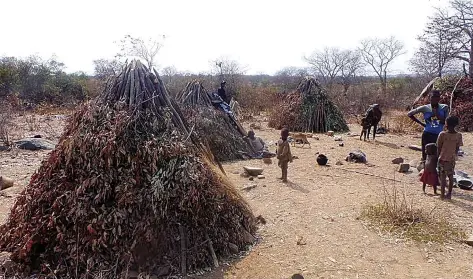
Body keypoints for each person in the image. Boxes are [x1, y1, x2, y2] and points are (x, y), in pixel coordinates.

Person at [408, 90, 449, 162]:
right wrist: (422, 123)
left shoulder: (444, 107)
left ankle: (436, 172)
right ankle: (426, 171)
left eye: (437, 97)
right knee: (426, 155)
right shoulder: (425, 108)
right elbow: (410, 114)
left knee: (438, 155)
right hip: (427, 134)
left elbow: (446, 122)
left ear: (439, 98)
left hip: (439, 135)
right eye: (433, 97)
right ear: (430, 97)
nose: (435, 99)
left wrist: (437, 114)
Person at [437, 115, 463, 200]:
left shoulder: (442, 134)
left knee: (443, 177)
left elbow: (438, 147)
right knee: (451, 177)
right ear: (456, 124)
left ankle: (442, 195)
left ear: (446, 124)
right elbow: (457, 148)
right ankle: (449, 194)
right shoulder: (459, 135)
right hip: (451, 160)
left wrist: (438, 158)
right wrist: (454, 156)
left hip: (442, 159)